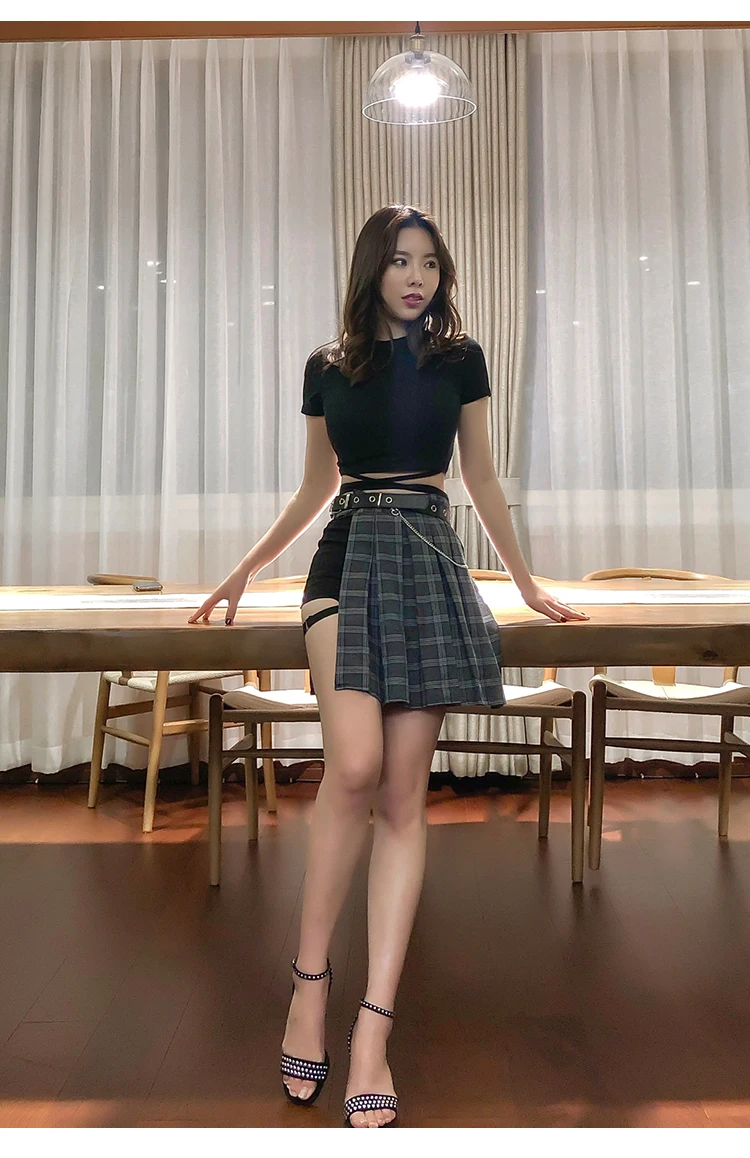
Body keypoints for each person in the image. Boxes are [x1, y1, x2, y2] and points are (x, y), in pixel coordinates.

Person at [189, 204, 589, 1127]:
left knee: (405, 795)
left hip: (432, 556)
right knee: (356, 766)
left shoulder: (460, 359)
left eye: (430, 264)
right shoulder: (329, 366)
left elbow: (481, 478)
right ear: (373, 267)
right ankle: (309, 986)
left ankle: (374, 1027)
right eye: (402, 261)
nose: (418, 277)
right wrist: (247, 565)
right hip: (345, 556)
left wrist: (525, 584)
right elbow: (316, 485)